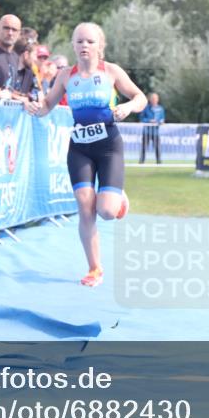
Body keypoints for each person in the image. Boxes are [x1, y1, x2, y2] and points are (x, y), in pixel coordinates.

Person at [24, 22, 147, 287]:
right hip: (79, 148)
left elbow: (140, 97)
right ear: (73, 45)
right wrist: (37, 107)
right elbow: (48, 105)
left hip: (108, 146)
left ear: (100, 46)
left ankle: (118, 201)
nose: (84, 46)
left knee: (105, 211)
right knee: (84, 205)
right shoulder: (66, 75)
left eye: (90, 41)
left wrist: (128, 107)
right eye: (79, 41)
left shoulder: (111, 72)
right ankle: (94, 269)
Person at [139, 92, 165, 164]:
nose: (154, 100)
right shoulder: (145, 108)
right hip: (146, 131)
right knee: (144, 147)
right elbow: (141, 119)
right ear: (150, 99)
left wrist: (160, 122)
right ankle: (141, 162)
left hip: (156, 132)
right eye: (152, 98)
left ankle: (159, 162)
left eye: (155, 98)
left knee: (157, 147)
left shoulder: (161, 109)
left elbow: (162, 119)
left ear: (158, 99)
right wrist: (149, 121)